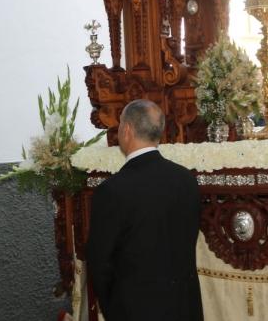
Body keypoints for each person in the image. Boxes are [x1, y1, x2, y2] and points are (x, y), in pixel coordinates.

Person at [85, 99, 203, 321]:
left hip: (135, 310)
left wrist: (115, 308)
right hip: (185, 308)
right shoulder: (186, 179)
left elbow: (99, 261)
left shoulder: (111, 191)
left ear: (127, 130)